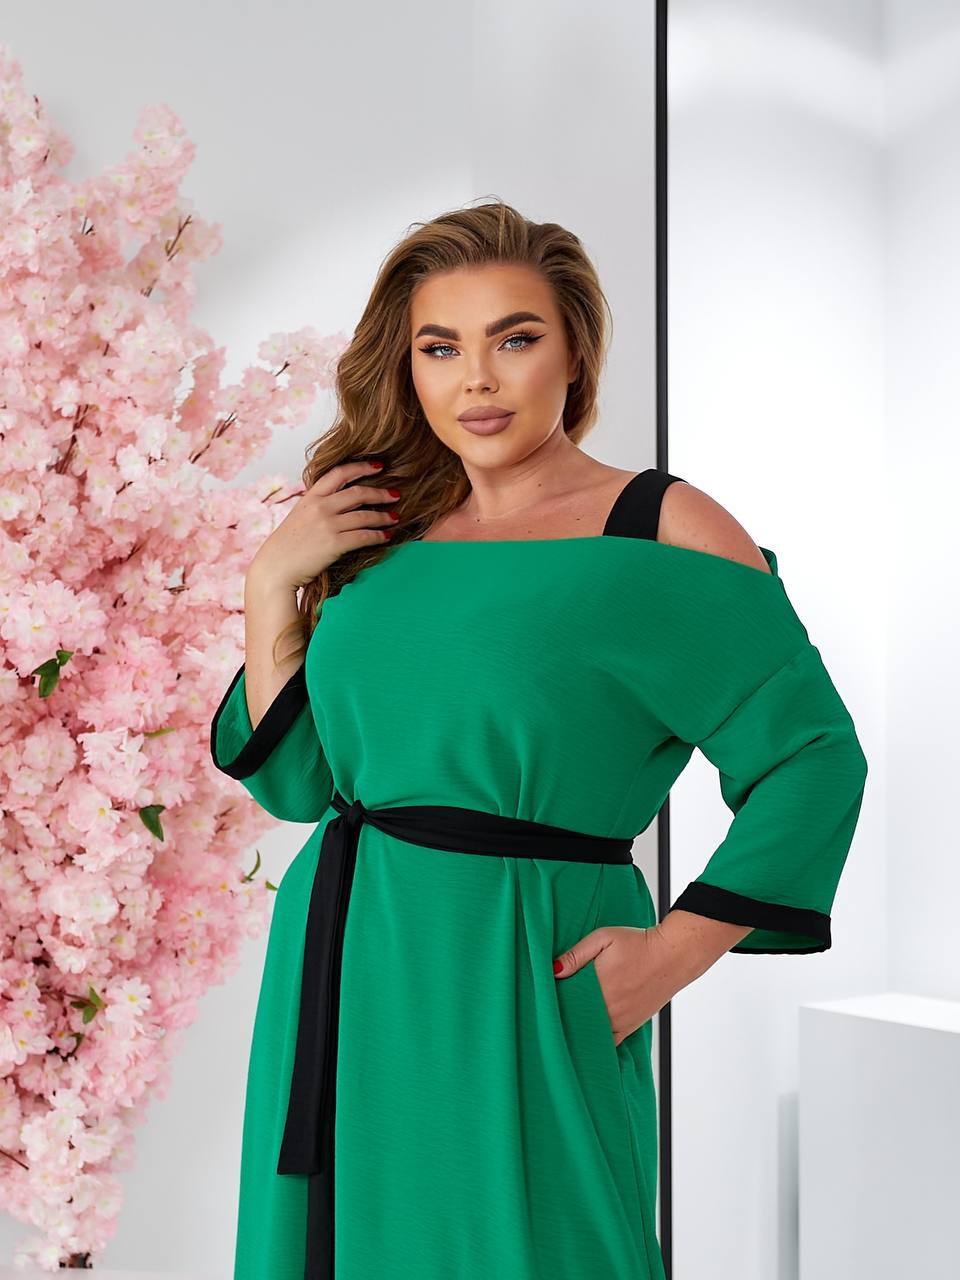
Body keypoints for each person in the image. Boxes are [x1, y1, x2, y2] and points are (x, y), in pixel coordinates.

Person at [210, 199, 868, 1280]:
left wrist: (672, 955)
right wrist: (271, 579)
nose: (476, 379)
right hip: (347, 957)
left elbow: (812, 756)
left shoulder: (657, 526)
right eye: (440, 348)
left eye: (514, 339)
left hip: (522, 960)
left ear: (575, 354)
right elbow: (300, 783)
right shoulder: (385, 531)